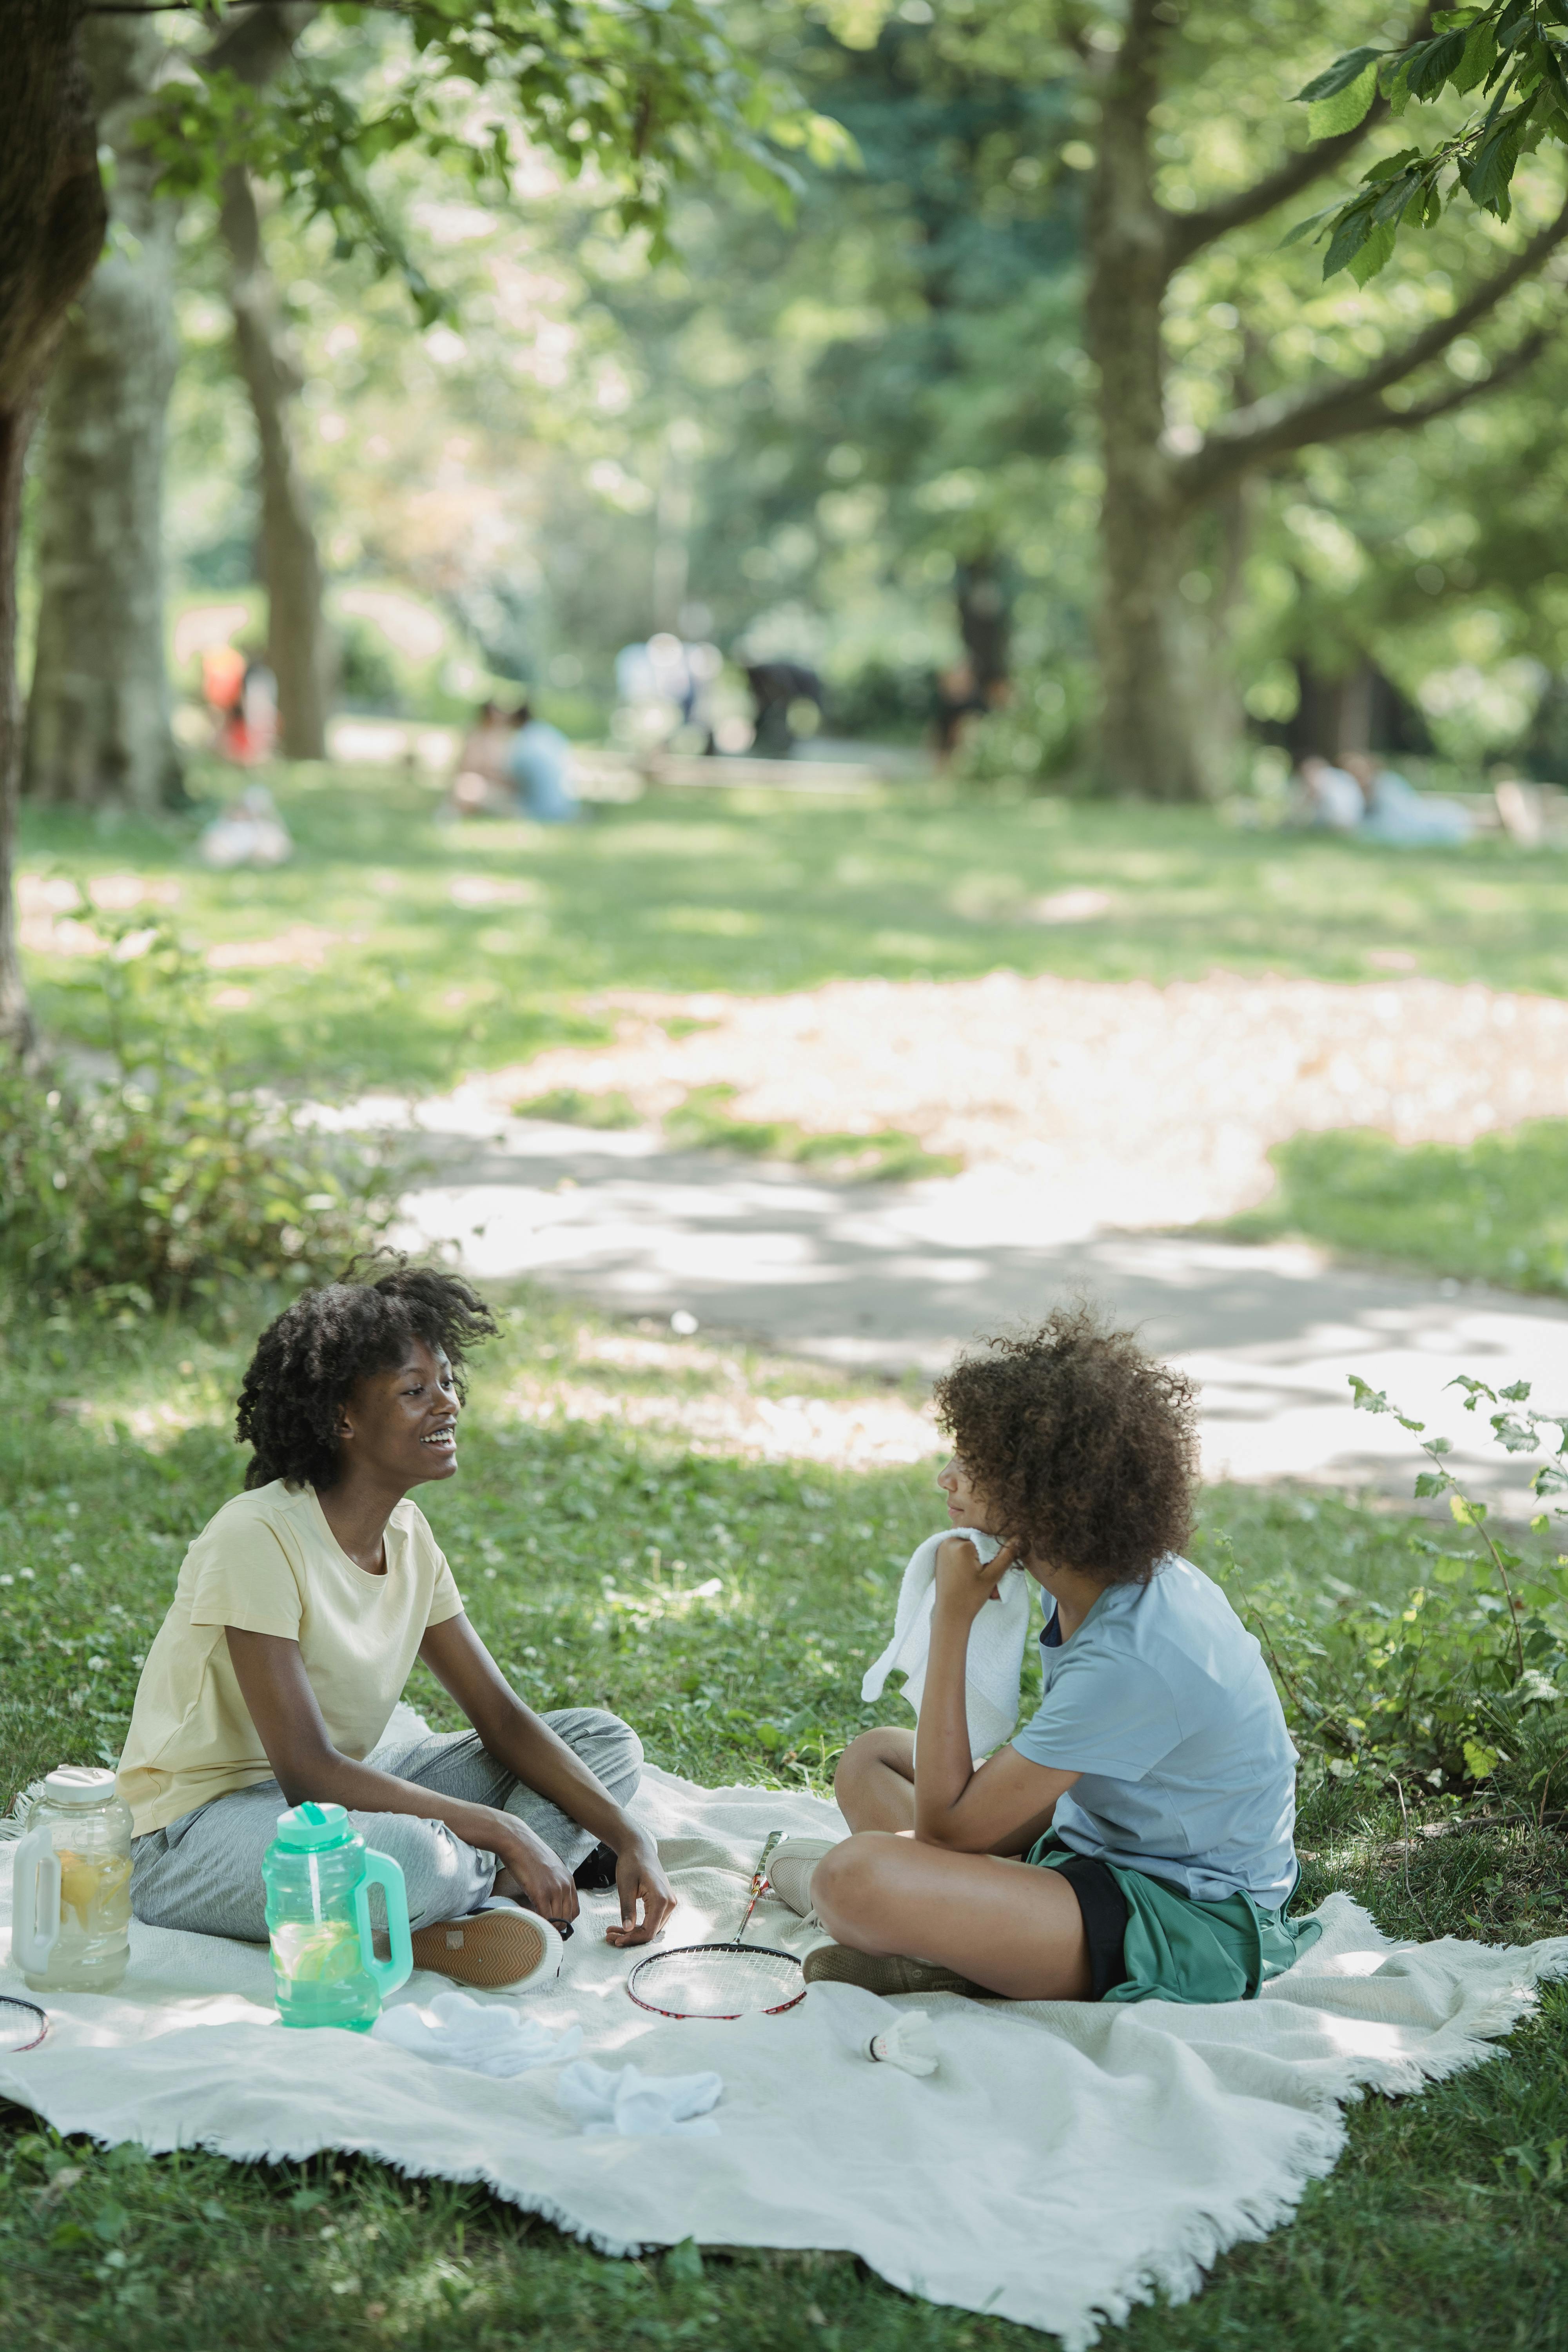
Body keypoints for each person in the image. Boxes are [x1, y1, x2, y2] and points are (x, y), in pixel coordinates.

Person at [119, 1260, 673, 1987]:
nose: (445, 1404)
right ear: (342, 1418)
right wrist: (505, 1829)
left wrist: (630, 1837)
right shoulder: (255, 1535)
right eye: (414, 1391)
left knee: (599, 1742)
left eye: (446, 1382)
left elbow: (502, 1721)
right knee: (413, 1859)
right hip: (195, 1836)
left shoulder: (407, 1535)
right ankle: (477, 1897)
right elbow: (307, 1772)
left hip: (343, 1794)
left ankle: (479, 1908)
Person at [767, 1307, 1321, 2004]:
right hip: (1094, 1850)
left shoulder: (1138, 1651)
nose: (948, 1477)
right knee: (872, 1758)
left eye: (972, 1464)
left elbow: (946, 1827)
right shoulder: (1098, 1583)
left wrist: (954, 1623)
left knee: (852, 1878)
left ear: (1043, 1493)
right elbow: (962, 1823)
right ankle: (962, 1946)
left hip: (1188, 1918)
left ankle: (953, 1948)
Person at [504, 700, 579, 822]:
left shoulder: (522, 745)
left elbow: (513, 784)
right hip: (567, 807)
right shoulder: (548, 733)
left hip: (538, 811)